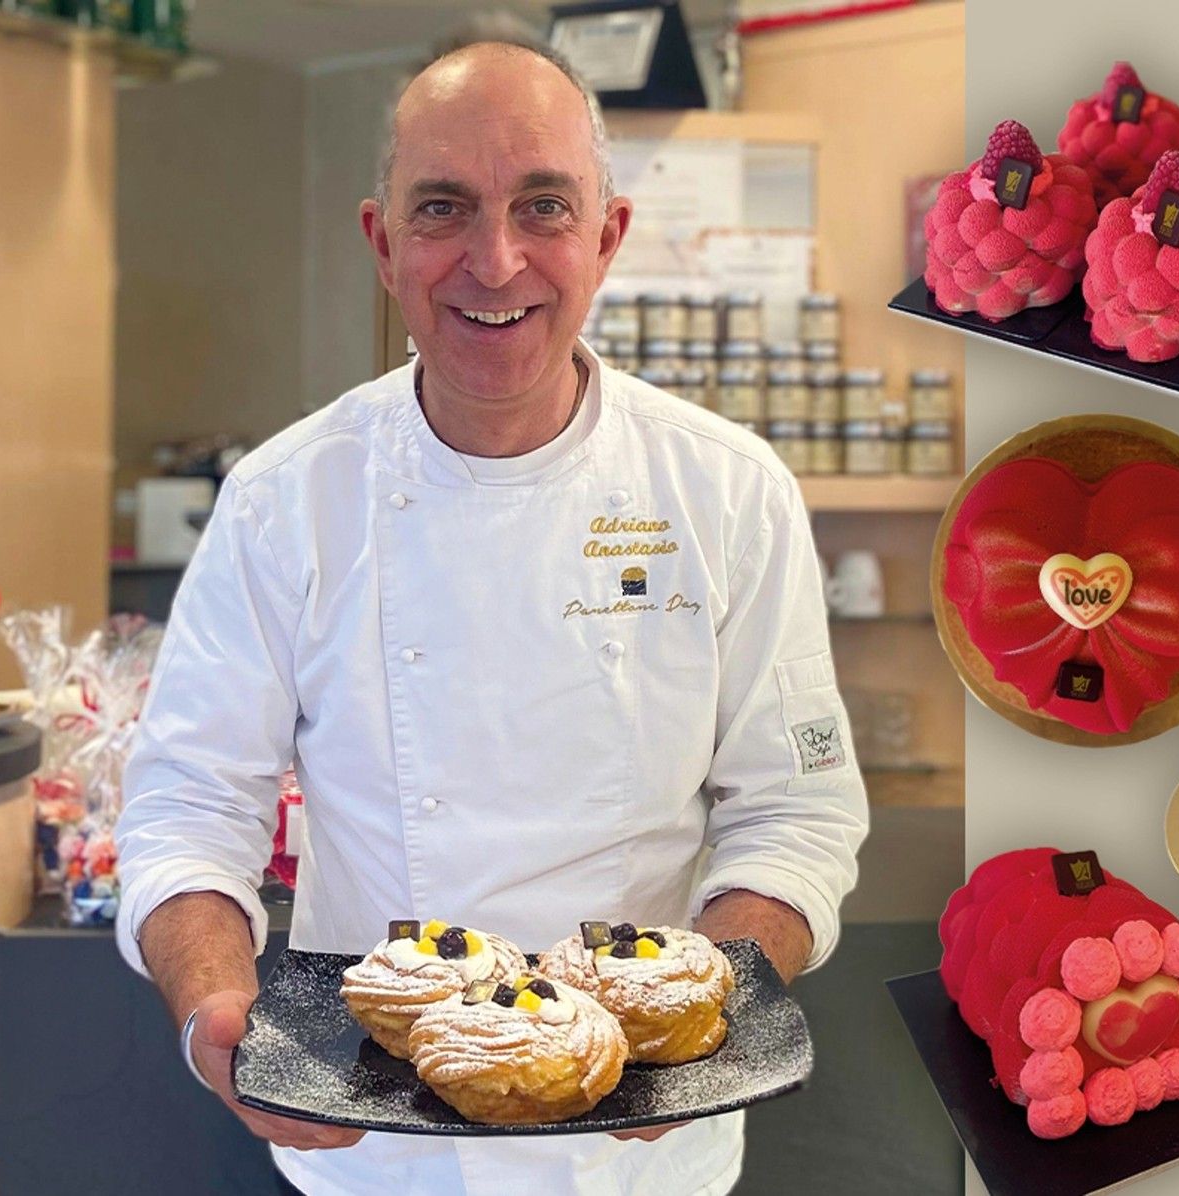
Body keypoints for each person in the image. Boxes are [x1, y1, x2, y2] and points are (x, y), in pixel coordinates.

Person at [114, 38, 868, 1196]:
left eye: (544, 206)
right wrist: (213, 1000)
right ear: (382, 242)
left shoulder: (725, 488)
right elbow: (186, 802)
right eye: (443, 208)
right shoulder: (285, 499)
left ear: (607, 234)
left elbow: (797, 809)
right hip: (369, 1146)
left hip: (646, 1160)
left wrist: (684, 1031)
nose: (495, 258)